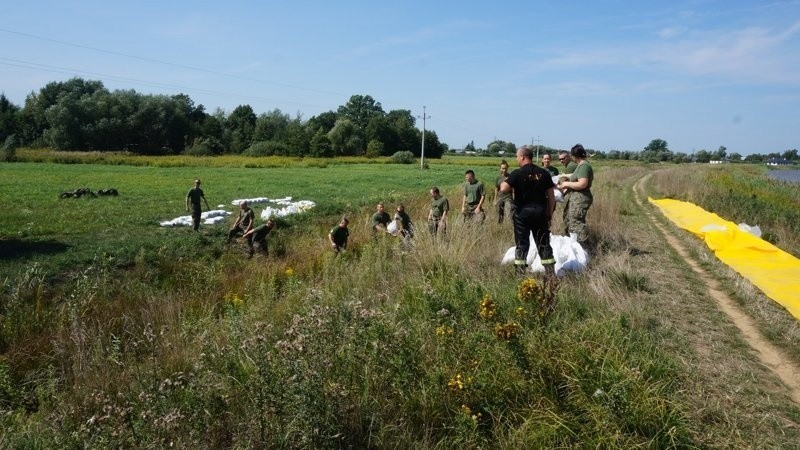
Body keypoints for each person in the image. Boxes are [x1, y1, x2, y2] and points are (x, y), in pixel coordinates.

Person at [500, 146, 557, 276]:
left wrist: (508, 180)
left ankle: (519, 274)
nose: (516, 159)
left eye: (517, 157)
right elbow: (551, 196)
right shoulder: (544, 173)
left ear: (523, 157)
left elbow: (503, 188)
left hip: (522, 214)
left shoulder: (517, 173)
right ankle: (550, 274)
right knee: (543, 243)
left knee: (522, 244)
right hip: (540, 213)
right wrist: (549, 214)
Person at [558, 143, 594, 247]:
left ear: (574, 156)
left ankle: (583, 246)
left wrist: (566, 183)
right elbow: (574, 176)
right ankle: (574, 245)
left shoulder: (584, 166)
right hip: (577, 197)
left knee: (576, 223)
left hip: (580, 198)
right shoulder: (581, 165)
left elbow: (583, 183)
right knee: (571, 220)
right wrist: (563, 175)